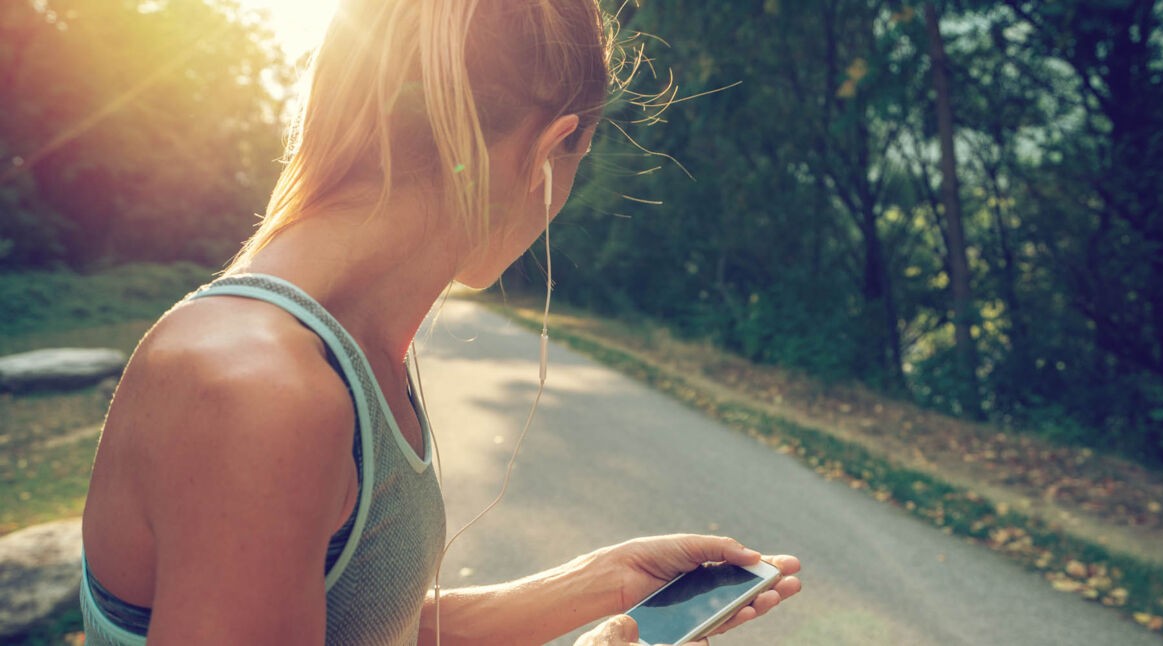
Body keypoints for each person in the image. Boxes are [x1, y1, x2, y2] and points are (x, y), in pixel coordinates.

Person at [79, 1, 801, 644]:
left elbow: (356, 622)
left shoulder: (335, 351)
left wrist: (596, 584)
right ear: (548, 152)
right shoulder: (261, 394)